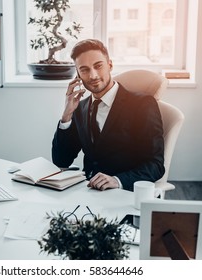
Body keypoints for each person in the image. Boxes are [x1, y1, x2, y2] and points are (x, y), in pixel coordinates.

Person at [52, 39, 165, 191]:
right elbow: (61, 161)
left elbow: (155, 165)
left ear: (110, 65)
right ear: (78, 74)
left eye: (98, 66)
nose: (93, 76)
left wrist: (117, 180)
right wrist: (66, 115)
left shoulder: (142, 104)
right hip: (88, 192)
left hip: (124, 193)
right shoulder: (80, 108)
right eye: (84, 70)